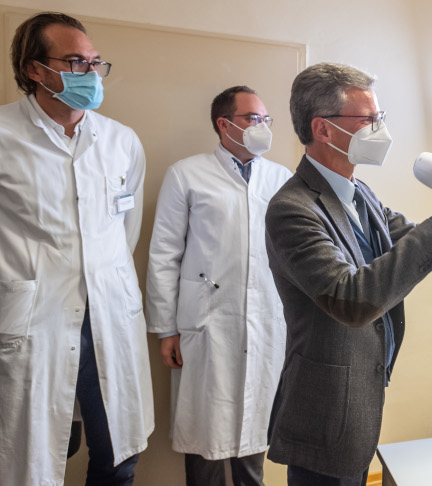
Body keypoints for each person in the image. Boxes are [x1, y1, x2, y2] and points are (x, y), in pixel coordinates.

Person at [264, 62, 432, 485]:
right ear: (324, 130)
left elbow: (410, 241)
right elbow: (351, 300)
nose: (379, 128)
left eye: (380, 116)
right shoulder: (293, 209)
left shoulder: (359, 193)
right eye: (368, 119)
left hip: (360, 392)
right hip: (326, 404)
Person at [0, 12, 153, 485]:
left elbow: (125, 230)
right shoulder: (4, 137)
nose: (90, 73)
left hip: (109, 315)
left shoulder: (121, 141)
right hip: (34, 321)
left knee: (117, 456)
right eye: (75, 62)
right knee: (38, 458)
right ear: (34, 69)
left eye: (94, 63)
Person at [145, 86, 292, 486]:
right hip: (206, 322)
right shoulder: (187, 174)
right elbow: (164, 255)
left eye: (266, 119)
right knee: (204, 436)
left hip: (266, 321)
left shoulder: (282, 178)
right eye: (252, 118)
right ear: (223, 124)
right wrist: (166, 329)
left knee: (255, 429)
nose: (262, 126)